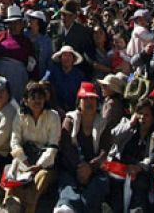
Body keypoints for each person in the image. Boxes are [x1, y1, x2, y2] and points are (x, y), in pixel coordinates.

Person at [1, 81, 61, 213]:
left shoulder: (53, 116)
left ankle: (30, 208)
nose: (37, 101)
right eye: (33, 97)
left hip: (46, 163)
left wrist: (39, 165)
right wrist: (24, 159)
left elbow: (53, 147)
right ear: (26, 100)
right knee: (12, 174)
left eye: (40, 97)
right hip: (25, 159)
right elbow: (15, 141)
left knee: (41, 178)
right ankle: (8, 206)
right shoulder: (20, 115)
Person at [55, 81, 110, 213]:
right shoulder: (70, 120)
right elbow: (66, 146)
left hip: (94, 170)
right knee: (67, 183)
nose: (89, 102)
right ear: (79, 102)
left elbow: (104, 152)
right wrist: (80, 167)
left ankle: (83, 207)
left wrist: (90, 167)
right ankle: (67, 206)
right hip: (72, 167)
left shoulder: (103, 124)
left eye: (92, 98)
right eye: (85, 98)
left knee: (100, 183)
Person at [104, 97, 154, 213]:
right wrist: (130, 124)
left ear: (153, 118)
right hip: (120, 169)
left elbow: (152, 157)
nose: (142, 118)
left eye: (146, 115)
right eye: (140, 113)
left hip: (140, 172)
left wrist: (139, 167)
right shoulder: (127, 125)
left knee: (140, 185)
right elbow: (112, 138)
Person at [0, 4, 36, 103]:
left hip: (16, 73)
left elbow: (31, 64)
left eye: (16, 23)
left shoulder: (26, 41)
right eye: (10, 23)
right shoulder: (1, 35)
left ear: (21, 24)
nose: (13, 26)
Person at [45, 45, 88, 116]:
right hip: (54, 110)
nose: (66, 58)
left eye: (69, 56)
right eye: (64, 55)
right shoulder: (53, 72)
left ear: (73, 59)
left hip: (74, 111)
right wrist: (55, 106)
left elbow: (83, 93)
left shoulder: (79, 75)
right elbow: (43, 84)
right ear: (60, 58)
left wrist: (77, 109)